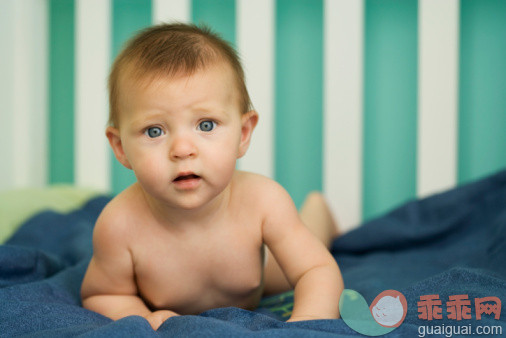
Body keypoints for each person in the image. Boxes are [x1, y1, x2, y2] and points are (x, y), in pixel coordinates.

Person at [80, 23, 344, 331]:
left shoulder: (263, 202)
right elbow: (104, 292)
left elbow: (316, 269)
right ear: (120, 147)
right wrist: (143, 316)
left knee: (290, 264)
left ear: (243, 134)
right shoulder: (119, 224)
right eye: (155, 131)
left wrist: (307, 322)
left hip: (261, 280)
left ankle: (318, 209)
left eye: (206, 125)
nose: (182, 149)